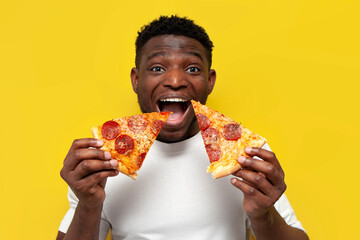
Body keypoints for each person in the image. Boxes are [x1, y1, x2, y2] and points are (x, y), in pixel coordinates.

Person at [57, 16, 309, 240]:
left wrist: (264, 214)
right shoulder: (102, 160)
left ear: (209, 82)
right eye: (157, 68)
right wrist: (89, 205)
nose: (176, 81)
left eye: (192, 69)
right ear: (136, 79)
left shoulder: (247, 154)